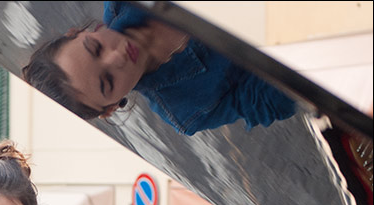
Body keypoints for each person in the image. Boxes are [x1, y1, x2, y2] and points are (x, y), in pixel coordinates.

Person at [21, 1, 296, 135]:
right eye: (107, 82)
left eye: (95, 48)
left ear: (77, 33)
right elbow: (282, 96)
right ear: (110, 108)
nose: (116, 57)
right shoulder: (187, 109)